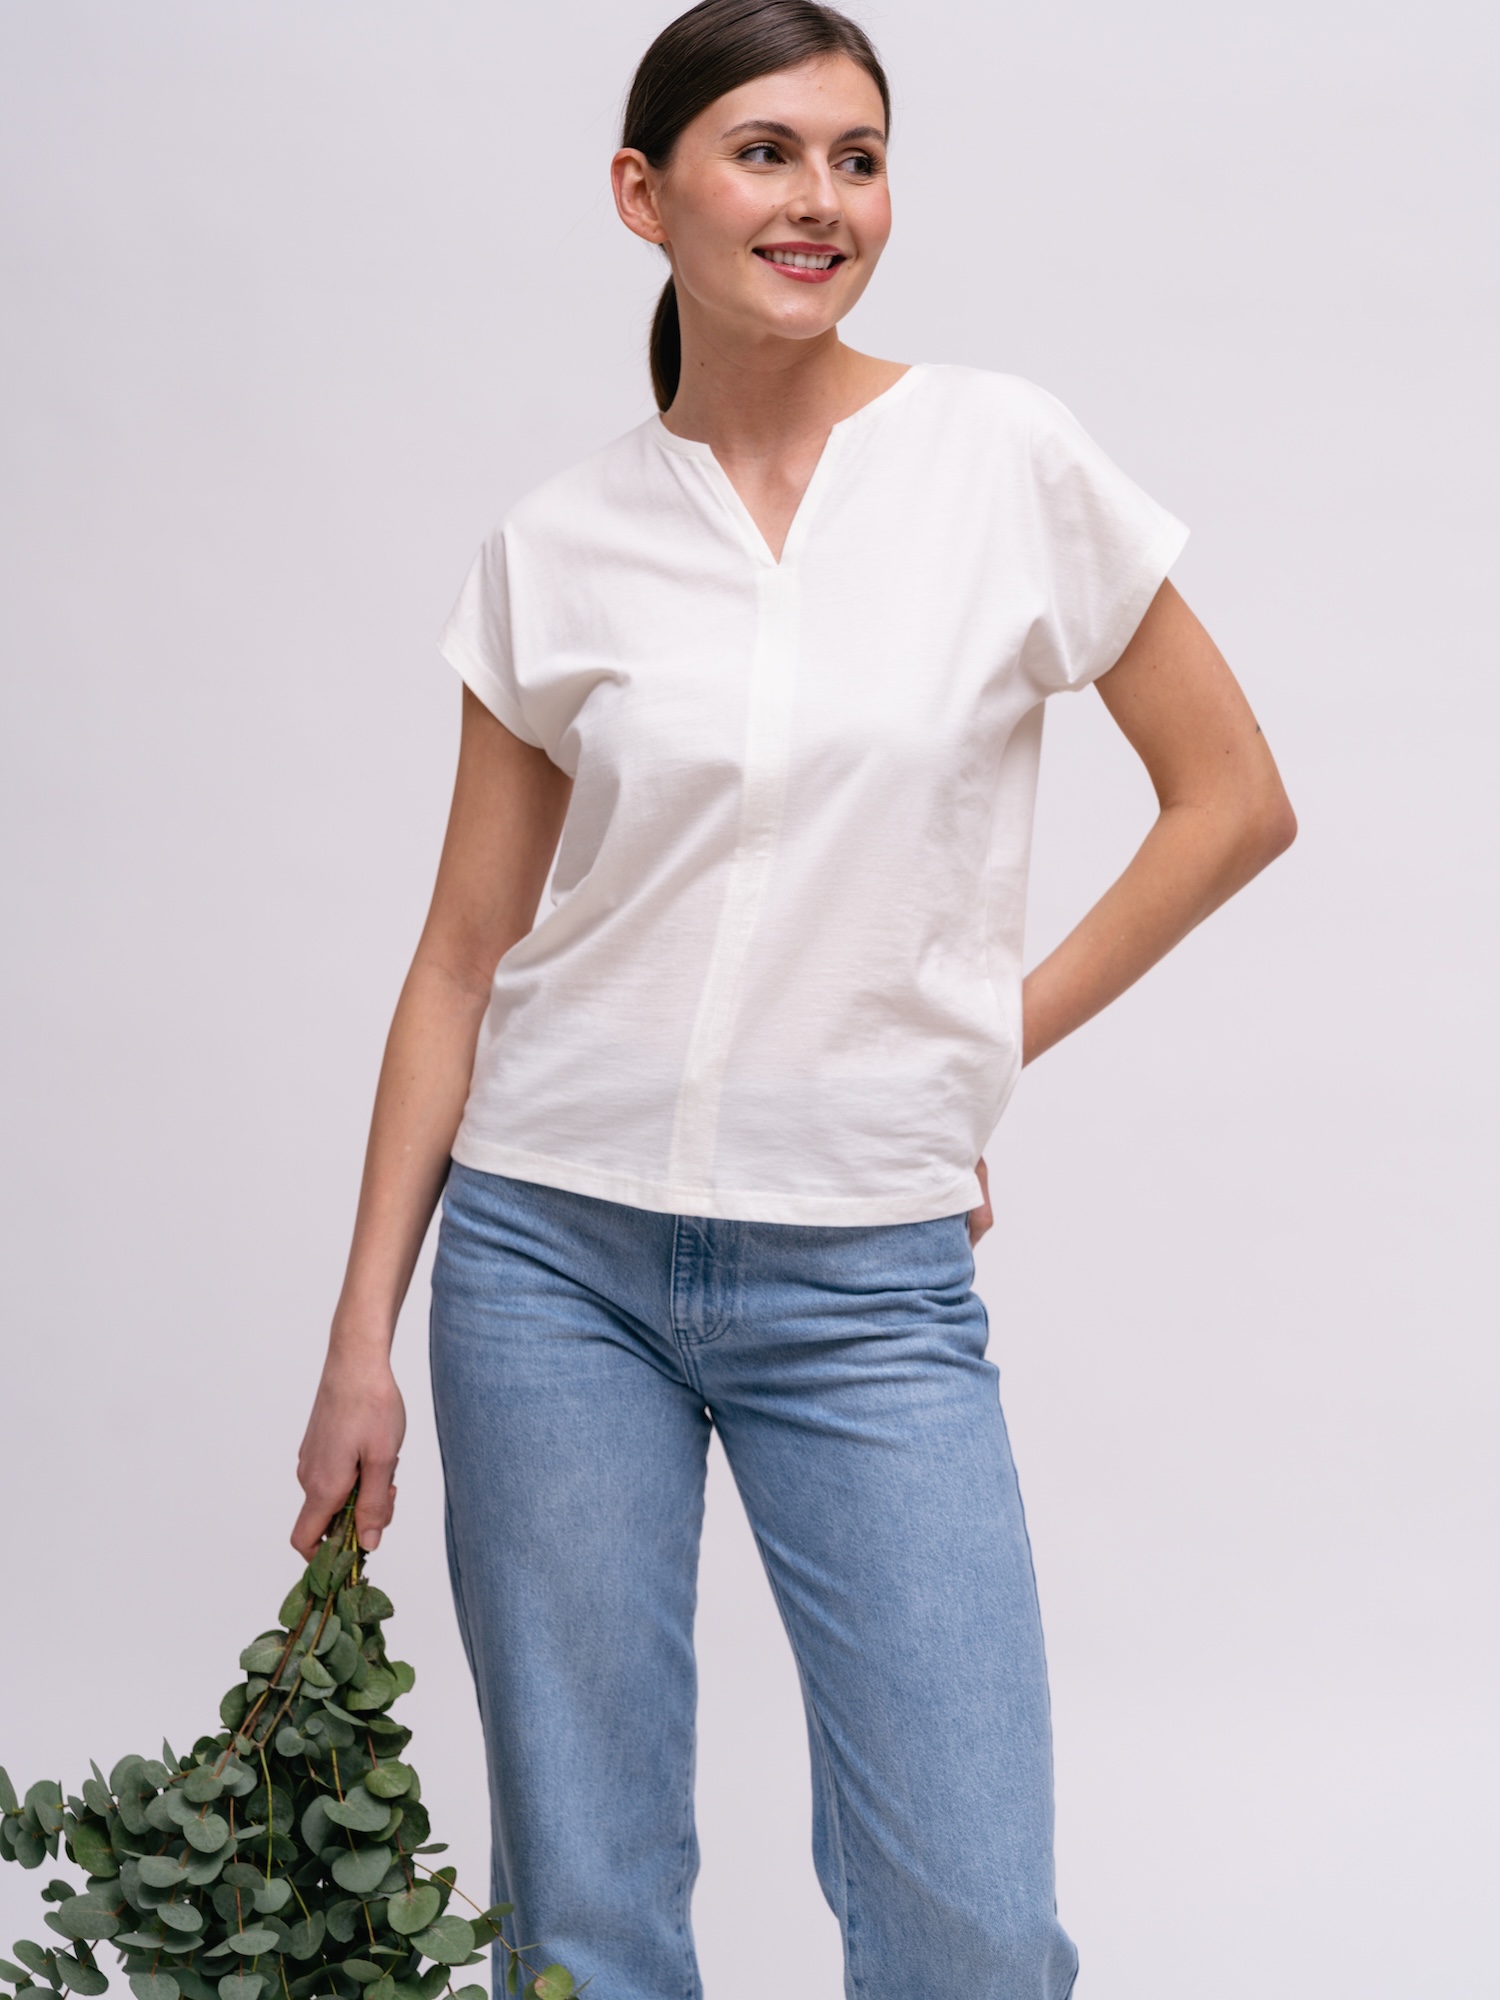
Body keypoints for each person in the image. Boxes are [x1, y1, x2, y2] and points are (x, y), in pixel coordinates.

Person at [290, 2, 1296, 1994]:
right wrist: (358, 1342)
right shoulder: (555, 547)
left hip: (867, 1281)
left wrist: (976, 1045)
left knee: (971, 1924)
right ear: (643, 194)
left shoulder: (1001, 456)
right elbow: (461, 957)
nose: (820, 198)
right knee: (585, 1916)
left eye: (858, 156)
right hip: (546, 1261)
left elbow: (1234, 801)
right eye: (766, 151)